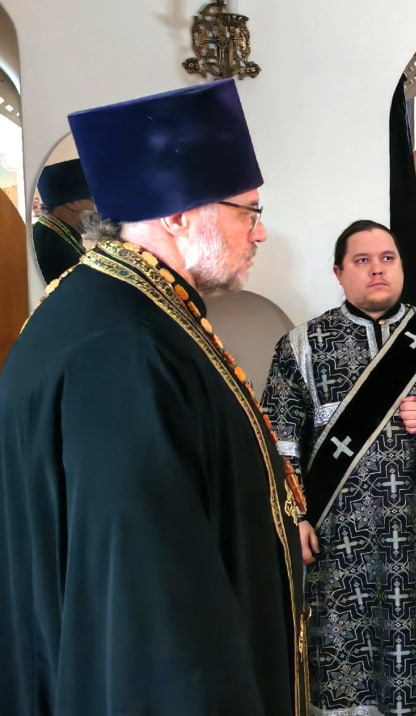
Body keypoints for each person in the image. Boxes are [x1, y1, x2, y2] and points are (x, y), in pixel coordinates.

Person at [0, 79, 308, 714]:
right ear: (177, 215)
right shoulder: (122, 346)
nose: (259, 234)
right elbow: (152, 609)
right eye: (248, 212)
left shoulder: (122, 305)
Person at [261, 219, 416, 715]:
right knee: (344, 650)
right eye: (362, 260)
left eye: (387, 258)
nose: (377, 269)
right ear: (339, 272)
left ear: (401, 266)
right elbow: (277, 436)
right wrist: (294, 517)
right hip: (340, 541)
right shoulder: (303, 345)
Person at [31, 158, 97, 283]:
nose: (97, 209)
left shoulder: (51, 233)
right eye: (94, 201)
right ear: (72, 204)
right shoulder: (51, 250)